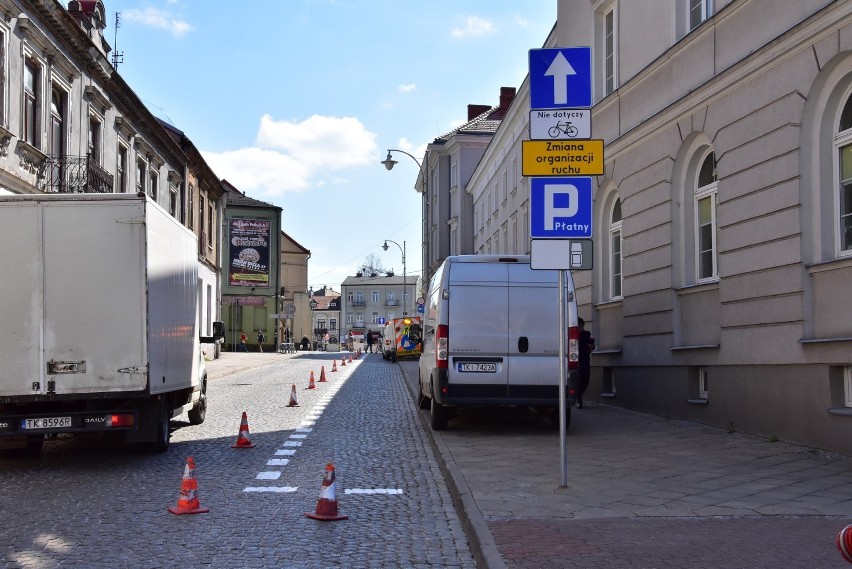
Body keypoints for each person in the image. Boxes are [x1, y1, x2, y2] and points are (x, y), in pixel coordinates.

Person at [576, 317, 595, 409]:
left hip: (585, 359)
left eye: (582, 326)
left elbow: (592, 344)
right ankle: (578, 398)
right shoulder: (574, 335)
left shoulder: (587, 334)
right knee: (579, 379)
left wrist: (591, 346)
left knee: (586, 379)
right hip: (576, 360)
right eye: (580, 326)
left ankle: (578, 395)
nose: (582, 328)